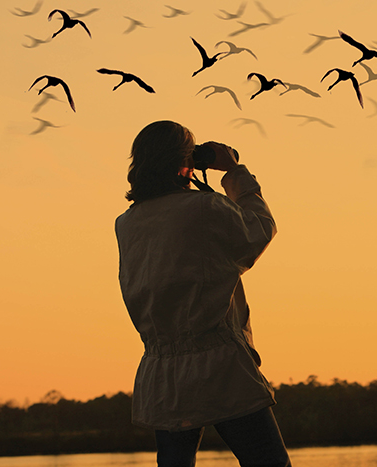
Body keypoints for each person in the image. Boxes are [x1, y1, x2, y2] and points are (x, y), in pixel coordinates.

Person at [115, 120, 291, 467]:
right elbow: (257, 231)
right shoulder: (204, 208)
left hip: (162, 371)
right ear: (184, 162)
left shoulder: (126, 222)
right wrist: (235, 171)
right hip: (218, 366)